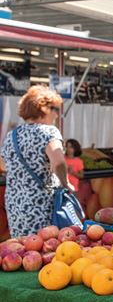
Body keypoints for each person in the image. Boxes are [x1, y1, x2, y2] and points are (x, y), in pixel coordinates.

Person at [0, 86, 71, 237]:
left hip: (15, 202)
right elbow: (58, 163)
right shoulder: (49, 132)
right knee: (44, 247)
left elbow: (2, 164)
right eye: (55, 110)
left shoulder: (12, 135)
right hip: (40, 203)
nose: (57, 115)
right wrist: (65, 183)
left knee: (21, 249)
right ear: (44, 108)